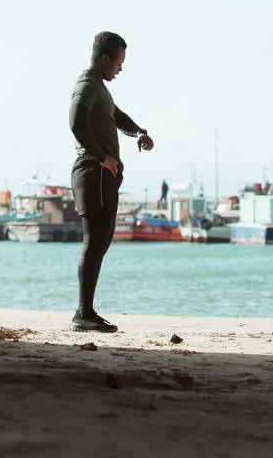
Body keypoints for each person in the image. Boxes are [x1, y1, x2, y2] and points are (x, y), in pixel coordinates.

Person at [68, 31, 154, 332]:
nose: (120, 68)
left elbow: (118, 116)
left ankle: (86, 312)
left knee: (101, 241)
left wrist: (139, 131)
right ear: (104, 58)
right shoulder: (87, 86)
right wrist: (101, 155)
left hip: (103, 174)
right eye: (118, 62)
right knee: (94, 242)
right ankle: (83, 313)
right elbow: (75, 122)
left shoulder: (100, 88)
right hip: (93, 172)